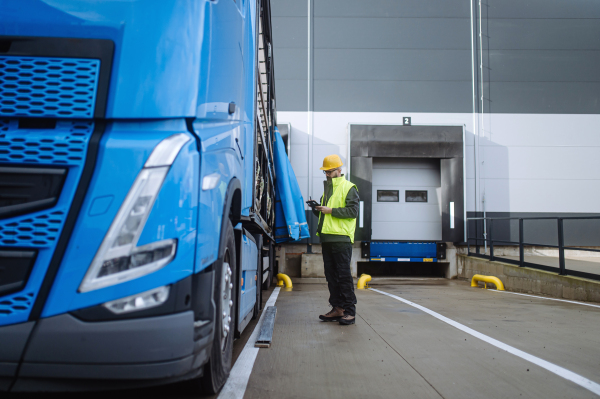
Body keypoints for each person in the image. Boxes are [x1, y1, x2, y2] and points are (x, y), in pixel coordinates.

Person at [312, 154, 359, 325]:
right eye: (325, 172)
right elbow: (327, 215)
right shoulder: (327, 190)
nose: (327, 174)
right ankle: (337, 308)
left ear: (339, 170)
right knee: (331, 276)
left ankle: (350, 311)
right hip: (327, 239)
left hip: (341, 239)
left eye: (330, 171)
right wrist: (317, 209)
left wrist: (330, 210)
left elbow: (353, 212)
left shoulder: (349, 187)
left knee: (343, 276)